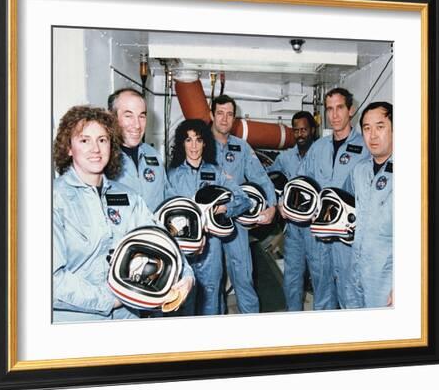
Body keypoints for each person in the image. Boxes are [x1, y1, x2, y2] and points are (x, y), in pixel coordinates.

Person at [52, 105, 193, 322]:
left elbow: (159, 238)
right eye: (84, 140)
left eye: (102, 140)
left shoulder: (128, 197)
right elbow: (51, 281)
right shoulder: (53, 199)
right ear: (68, 148)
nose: (95, 148)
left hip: (128, 317)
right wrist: (113, 299)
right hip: (78, 322)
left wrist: (185, 274)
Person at [166, 119, 251, 316]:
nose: (194, 146)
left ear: (206, 143)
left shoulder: (216, 172)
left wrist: (222, 209)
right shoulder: (172, 175)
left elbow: (244, 199)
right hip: (182, 248)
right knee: (183, 300)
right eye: (188, 140)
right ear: (182, 144)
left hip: (211, 249)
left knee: (212, 301)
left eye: (198, 140)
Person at [299, 88, 370, 309]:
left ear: (351, 110)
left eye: (340, 108)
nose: (334, 115)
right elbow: (304, 183)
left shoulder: (366, 148)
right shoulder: (317, 148)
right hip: (319, 236)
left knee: (350, 296)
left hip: (348, 238)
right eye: (329, 109)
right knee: (322, 295)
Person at [209, 95, 277, 314]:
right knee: (212, 283)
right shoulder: (199, 144)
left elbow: (260, 177)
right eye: (220, 113)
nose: (224, 119)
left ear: (234, 118)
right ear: (212, 115)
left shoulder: (241, 147)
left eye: (229, 114)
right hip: (209, 223)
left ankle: (252, 333)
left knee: (244, 278)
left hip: (236, 221)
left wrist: (272, 205)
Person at [345, 102, 393, 308]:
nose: (372, 135)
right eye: (367, 128)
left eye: (380, 127)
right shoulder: (360, 170)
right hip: (356, 271)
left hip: (387, 278)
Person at [272, 111, 317, 311]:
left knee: (320, 278)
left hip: (316, 229)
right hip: (293, 229)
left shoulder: (322, 153)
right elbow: (269, 179)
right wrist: (278, 202)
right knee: (292, 278)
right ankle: (294, 318)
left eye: (304, 130)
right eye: (296, 130)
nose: (300, 134)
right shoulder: (286, 158)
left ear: (312, 130)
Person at [108, 88, 168, 212]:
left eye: (141, 116)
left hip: (154, 230)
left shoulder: (153, 154)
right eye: (128, 115)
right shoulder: (101, 159)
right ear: (111, 117)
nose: (137, 125)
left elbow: (167, 194)